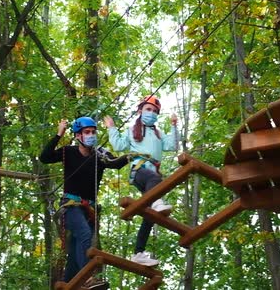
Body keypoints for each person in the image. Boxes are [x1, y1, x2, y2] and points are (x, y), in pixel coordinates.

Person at [39, 116, 128, 288]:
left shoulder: (100, 154)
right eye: (87, 132)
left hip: (90, 210)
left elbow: (115, 163)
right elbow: (45, 157)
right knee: (85, 235)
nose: (91, 135)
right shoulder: (69, 152)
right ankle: (88, 277)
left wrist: (133, 156)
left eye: (93, 132)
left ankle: (70, 282)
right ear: (78, 136)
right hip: (71, 206)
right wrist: (59, 134)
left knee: (75, 251)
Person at [103, 95, 179, 267]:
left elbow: (173, 145)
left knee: (150, 216)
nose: (151, 113)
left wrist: (174, 126)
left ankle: (138, 253)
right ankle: (157, 202)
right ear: (140, 111)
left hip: (153, 175)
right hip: (139, 171)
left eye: (154, 111)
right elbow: (119, 146)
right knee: (153, 182)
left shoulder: (159, 134)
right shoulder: (132, 130)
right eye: (148, 109)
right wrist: (112, 129)